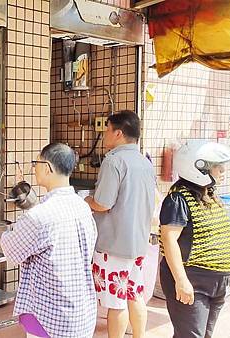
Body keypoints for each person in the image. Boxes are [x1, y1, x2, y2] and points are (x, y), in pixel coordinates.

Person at [1, 143, 98, 338]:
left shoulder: (39, 216)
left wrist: (7, 232)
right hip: (82, 313)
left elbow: (11, 251)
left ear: (47, 168)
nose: (34, 168)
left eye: (36, 163)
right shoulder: (82, 207)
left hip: (49, 317)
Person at [84, 111, 156, 338]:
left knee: (116, 302)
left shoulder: (114, 161)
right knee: (134, 293)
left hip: (113, 245)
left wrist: (87, 201)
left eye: (106, 130)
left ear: (118, 133)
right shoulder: (145, 162)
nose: (104, 134)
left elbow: (103, 203)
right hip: (138, 242)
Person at [159, 140, 230, 338]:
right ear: (197, 167)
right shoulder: (178, 199)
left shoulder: (208, 193)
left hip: (216, 284)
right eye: (217, 166)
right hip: (193, 282)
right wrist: (182, 281)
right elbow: (169, 240)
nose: (222, 171)